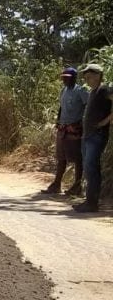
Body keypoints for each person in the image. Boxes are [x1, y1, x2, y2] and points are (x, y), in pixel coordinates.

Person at [42, 67, 88, 195]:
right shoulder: (64, 90)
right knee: (61, 157)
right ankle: (56, 184)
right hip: (62, 128)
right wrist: (58, 121)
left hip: (74, 129)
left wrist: (81, 123)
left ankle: (77, 186)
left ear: (74, 77)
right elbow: (61, 108)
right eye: (63, 77)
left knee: (77, 158)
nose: (64, 79)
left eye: (67, 77)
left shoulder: (81, 91)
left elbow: (88, 105)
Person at [74, 64, 113, 213]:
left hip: (97, 135)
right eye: (86, 77)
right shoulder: (93, 91)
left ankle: (92, 203)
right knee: (89, 168)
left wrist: (105, 121)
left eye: (89, 76)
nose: (87, 80)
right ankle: (89, 201)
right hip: (89, 135)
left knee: (92, 167)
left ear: (98, 75)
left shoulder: (104, 89)